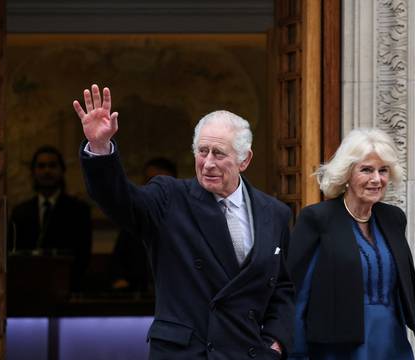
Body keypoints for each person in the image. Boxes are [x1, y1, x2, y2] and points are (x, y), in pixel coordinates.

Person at [73, 84, 294, 359]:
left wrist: (275, 342)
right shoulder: (169, 198)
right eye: (202, 151)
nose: (208, 163)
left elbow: (282, 287)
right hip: (188, 352)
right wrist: (99, 147)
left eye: (219, 153)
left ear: (244, 160)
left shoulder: (274, 213)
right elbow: (121, 201)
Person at [286, 128, 415, 360]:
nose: (376, 179)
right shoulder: (318, 219)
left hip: (391, 342)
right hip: (338, 348)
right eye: (366, 170)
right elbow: (298, 295)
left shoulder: (393, 219)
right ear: (347, 174)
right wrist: (296, 354)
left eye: (383, 170)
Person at [8, 145, 92, 290]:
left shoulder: (79, 211)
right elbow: (13, 253)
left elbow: (83, 256)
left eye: (52, 166)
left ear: (62, 171)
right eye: (41, 166)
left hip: (66, 288)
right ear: (33, 172)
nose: (47, 171)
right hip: (27, 288)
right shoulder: (20, 212)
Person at [110, 157, 178, 292]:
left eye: (162, 184)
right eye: (150, 182)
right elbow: (117, 263)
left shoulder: (187, 220)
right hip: (136, 296)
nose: (155, 190)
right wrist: (119, 280)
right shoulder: (133, 220)